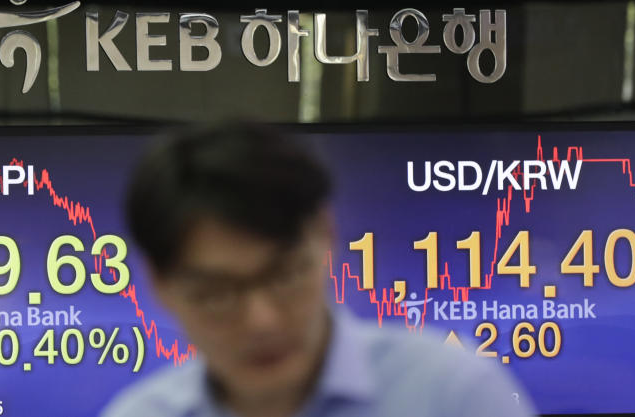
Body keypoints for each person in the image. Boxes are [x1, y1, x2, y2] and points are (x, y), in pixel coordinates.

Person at [102, 121, 536, 417]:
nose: (262, 321)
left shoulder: (452, 395)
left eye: (285, 276)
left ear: (325, 235)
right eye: (218, 295)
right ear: (160, 284)